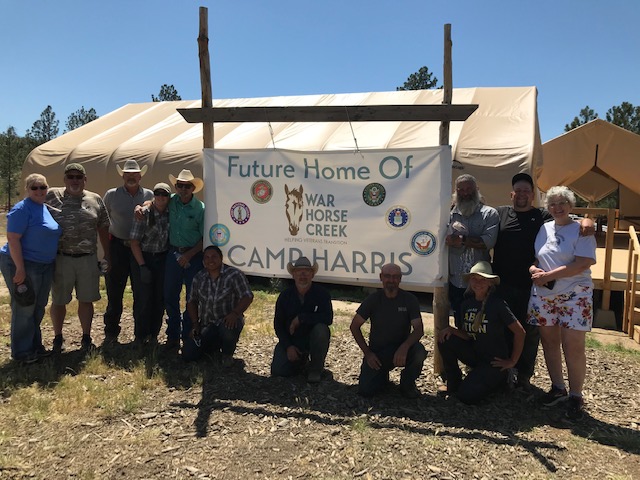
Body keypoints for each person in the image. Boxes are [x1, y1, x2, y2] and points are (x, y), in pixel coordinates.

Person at [492, 173, 594, 389]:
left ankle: (527, 377)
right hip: (513, 285)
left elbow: (579, 249)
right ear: (511, 194)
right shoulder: (504, 214)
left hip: (544, 288)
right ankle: (503, 374)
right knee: (508, 331)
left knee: (536, 336)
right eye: (517, 191)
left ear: (533, 196)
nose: (521, 195)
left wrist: (588, 220)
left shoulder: (542, 218)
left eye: (526, 191)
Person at [527, 186, 596, 420]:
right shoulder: (544, 228)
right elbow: (539, 257)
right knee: (549, 342)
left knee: (573, 345)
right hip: (545, 294)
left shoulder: (582, 230)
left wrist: (549, 276)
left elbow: (583, 263)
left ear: (570, 205)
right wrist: (534, 269)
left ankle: (576, 394)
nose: (557, 208)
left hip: (575, 294)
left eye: (562, 203)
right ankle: (558, 387)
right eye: (552, 204)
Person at [438, 261, 526, 404]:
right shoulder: (466, 304)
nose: (478, 282)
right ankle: (453, 382)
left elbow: (520, 332)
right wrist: (451, 330)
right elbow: (467, 335)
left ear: (490, 283)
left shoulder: (498, 304)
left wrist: (512, 361)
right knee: (445, 339)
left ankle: (502, 379)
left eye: (483, 279)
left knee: (466, 396)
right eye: (474, 278)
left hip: (494, 362)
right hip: (475, 355)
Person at [46, 163, 111, 352]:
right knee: (58, 300)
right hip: (62, 257)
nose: (75, 180)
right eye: (71, 177)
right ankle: (58, 338)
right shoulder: (51, 196)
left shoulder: (95, 199)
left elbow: (103, 227)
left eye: (78, 177)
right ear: (65, 179)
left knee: (86, 299)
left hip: (87, 258)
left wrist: (107, 254)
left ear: (85, 179)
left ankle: (86, 337)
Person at [0, 174, 61, 363]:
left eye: (42, 187)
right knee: (25, 307)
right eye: (34, 188)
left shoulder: (44, 208)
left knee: (38, 306)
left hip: (43, 265)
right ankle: (21, 352)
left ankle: (35, 346)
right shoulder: (22, 209)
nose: (39, 191)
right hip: (24, 263)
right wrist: (20, 269)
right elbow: (13, 239)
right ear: (27, 189)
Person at [350, 263, 427, 398]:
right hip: (378, 353)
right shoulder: (373, 299)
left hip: (402, 350)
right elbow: (354, 326)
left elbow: (419, 329)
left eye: (395, 277)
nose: (391, 280)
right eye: (387, 276)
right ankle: (382, 377)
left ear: (400, 279)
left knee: (419, 351)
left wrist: (405, 346)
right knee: (365, 391)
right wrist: (368, 353)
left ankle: (407, 384)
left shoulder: (409, 299)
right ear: (381, 277)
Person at [102, 160, 154, 344]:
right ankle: (111, 333)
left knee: (141, 292)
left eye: (135, 174)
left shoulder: (149, 195)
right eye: (128, 173)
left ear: (140, 176)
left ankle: (140, 334)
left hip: (140, 248)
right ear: (122, 176)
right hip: (117, 247)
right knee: (114, 291)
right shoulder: (111, 195)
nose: (131, 176)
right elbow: (104, 220)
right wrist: (106, 252)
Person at [183, 246, 253, 366]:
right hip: (207, 324)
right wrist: (195, 324)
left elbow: (247, 296)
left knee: (228, 329)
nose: (211, 260)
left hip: (227, 321)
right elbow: (191, 301)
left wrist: (235, 313)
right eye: (207, 257)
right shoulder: (199, 277)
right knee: (188, 354)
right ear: (203, 261)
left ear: (221, 258)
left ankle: (227, 355)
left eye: (214, 257)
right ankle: (213, 349)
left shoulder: (234, 274)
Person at [445, 174, 499, 320]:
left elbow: (488, 242)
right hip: (455, 280)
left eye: (469, 188)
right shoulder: (448, 214)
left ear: (477, 189)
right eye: (461, 189)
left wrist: (461, 240)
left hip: (480, 283)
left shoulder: (489, 213)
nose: (465, 193)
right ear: (456, 192)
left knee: (482, 321)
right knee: (459, 320)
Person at [271, 256, 333, 383]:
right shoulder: (285, 296)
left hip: (312, 338)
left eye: (306, 272)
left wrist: (301, 318)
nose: (303, 275)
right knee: (278, 371)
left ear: (312, 275)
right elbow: (278, 325)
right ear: (293, 275)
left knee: (322, 330)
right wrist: (288, 346)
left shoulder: (322, 294)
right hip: (292, 340)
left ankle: (316, 369)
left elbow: (328, 318)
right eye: (299, 272)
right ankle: (301, 361)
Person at [164, 169, 205, 349]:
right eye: (179, 185)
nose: (183, 189)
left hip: (193, 255)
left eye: (187, 186)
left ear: (193, 188)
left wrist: (189, 255)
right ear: (176, 187)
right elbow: (154, 201)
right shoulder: (171, 201)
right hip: (173, 253)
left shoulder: (201, 209)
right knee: (170, 294)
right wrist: (143, 206)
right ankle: (172, 334)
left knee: (191, 296)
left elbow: (205, 238)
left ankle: (188, 333)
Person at [129, 182, 171, 347]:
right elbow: (134, 242)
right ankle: (140, 335)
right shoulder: (144, 213)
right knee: (142, 298)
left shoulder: (171, 212)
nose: (161, 197)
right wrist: (142, 266)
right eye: (158, 193)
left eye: (164, 194)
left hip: (162, 258)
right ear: (153, 195)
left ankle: (154, 334)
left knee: (159, 298)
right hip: (144, 257)